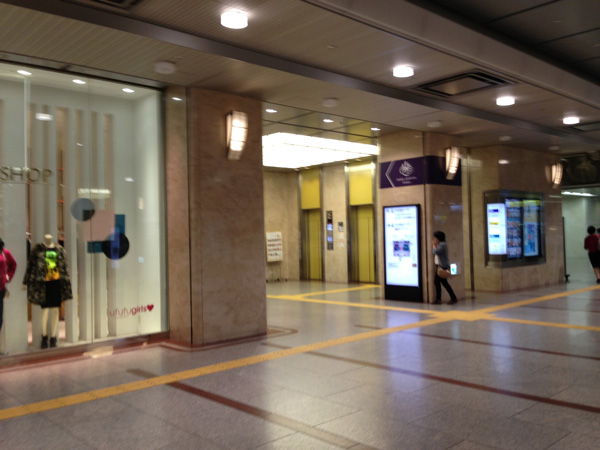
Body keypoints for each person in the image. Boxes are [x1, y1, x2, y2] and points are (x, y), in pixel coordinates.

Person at [22, 234, 72, 349]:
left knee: (55, 310)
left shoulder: (60, 250)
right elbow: (30, 266)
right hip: (43, 284)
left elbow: (65, 267)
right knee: (44, 310)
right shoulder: (37, 250)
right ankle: (44, 336)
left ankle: (53, 337)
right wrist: (25, 282)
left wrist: (67, 282)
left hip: (56, 282)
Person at [432, 231, 457, 305]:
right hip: (440, 266)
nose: (434, 239)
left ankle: (452, 298)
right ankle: (440, 299)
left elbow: (435, 252)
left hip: (442, 266)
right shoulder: (441, 244)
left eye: (435, 238)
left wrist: (434, 245)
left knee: (442, 283)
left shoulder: (442, 244)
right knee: (438, 282)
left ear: (438, 238)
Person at [0, 238, 17, 333]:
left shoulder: (4, 252)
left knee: (0, 318)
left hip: (0, 287)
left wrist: (8, 277)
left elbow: (13, 265)